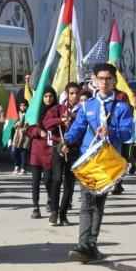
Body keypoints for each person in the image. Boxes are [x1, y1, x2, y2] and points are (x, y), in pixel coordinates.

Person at [62, 63, 134, 262]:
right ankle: (83, 244)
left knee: (98, 203)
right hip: (89, 160)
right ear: (93, 81)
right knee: (86, 202)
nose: (104, 82)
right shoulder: (88, 106)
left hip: (108, 162)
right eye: (100, 78)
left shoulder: (122, 107)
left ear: (114, 81)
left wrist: (112, 131)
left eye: (108, 79)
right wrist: (67, 141)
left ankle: (91, 243)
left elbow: (128, 133)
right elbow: (78, 128)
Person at [47, 82, 81, 226]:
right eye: (71, 93)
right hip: (58, 147)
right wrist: (60, 120)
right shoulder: (58, 109)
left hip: (73, 149)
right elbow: (46, 123)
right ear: (67, 94)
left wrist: (73, 118)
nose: (74, 96)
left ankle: (63, 213)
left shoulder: (82, 110)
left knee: (69, 183)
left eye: (77, 93)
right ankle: (54, 211)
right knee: (56, 179)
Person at [26, 88, 58, 219]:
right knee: (35, 181)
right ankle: (35, 207)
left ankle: (51, 200)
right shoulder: (36, 111)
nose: (48, 99)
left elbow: (61, 130)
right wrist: (38, 132)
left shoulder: (57, 110)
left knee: (48, 179)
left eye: (50, 96)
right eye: (45, 96)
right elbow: (28, 129)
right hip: (36, 152)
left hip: (50, 151)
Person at [9, 99, 30, 175]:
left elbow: (30, 123)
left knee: (23, 152)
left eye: (24, 105)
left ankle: (23, 168)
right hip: (17, 134)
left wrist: (26, 126)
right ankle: (16, 166)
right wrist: (16, 123)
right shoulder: (17, 114)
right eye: (21, 105)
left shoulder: (29, 114)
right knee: (14, 151)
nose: (22, 107)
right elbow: (12, 124)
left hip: (26, 135)